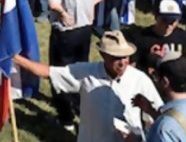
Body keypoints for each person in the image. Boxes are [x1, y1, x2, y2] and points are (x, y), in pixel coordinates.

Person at [13, 30, 163, 141]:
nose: (122, 62)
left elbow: (161, 116)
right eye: (116, 57)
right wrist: (15, 58)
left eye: (125, 56)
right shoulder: (86, 72)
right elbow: (48, 72)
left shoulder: (139, 79)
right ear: (104, 55)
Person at [46, 0, 116, 132]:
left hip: (65, 34)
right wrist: (93, 2)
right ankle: (82, 109)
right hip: (84, 31)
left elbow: (52, 3)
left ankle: (66, 118)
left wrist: (62, 12)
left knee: (59, 73)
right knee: (81, 70)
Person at [134, 51, 186, 142]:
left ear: (165, 82)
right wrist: (151, 111)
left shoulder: (164, 129)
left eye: (156, 76)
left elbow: (172, 126)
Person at [128, 0, 186, 74]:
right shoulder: (141, 38)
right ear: (156, 17)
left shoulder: (184, 37)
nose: (169, 25)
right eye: (165, 20)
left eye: (173, 20)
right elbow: (132, 63)